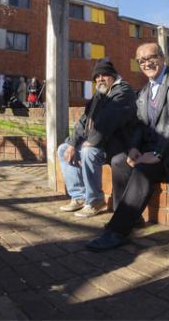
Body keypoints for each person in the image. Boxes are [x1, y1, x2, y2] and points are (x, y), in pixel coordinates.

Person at [86, 43, 169, 251]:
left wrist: (158, 153)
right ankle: (132, 218)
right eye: (141, 61)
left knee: (143, 169)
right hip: (155, 150)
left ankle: (117, 231)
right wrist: (133, 148)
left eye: (152, 57)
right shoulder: (143, 91)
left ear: (163, 57)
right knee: (120, 161)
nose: (147, 63)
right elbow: (139, 126)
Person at [58, 58, 137, 218]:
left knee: (88, 151)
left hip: (117, 145)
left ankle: (95, 200)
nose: (100, 79)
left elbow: (109, 120)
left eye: (104, 75)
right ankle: (79, 196)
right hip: (100, 142)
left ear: (113, 76)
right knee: (63, 149)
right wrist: (73, 144)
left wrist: (91, 142)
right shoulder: (99, 94)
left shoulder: (123, 91)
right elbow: (83, 121)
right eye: (96, 76)